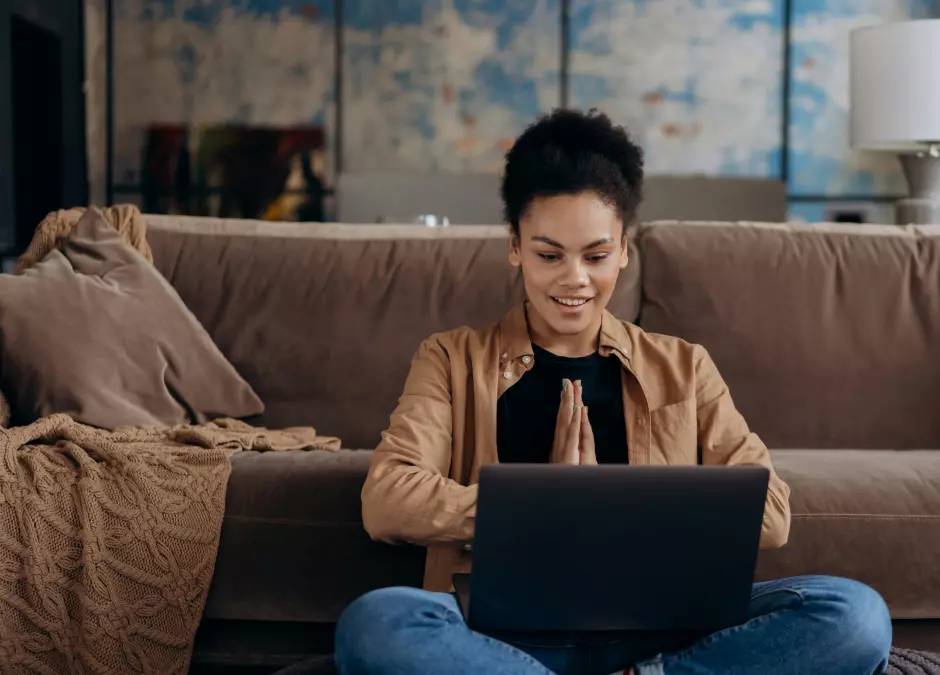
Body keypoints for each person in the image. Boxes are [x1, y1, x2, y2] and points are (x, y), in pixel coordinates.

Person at [335, 109, 891, 675]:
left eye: (596, 256)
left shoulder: (683, 366)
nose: (574, 278)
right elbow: (387, 501)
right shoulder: (450, 359)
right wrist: (543, 505)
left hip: (659, 636)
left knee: (855, 614)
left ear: (624, 249)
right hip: (503, 638)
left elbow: (771, 514)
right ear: (514, 246)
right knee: (378, 624)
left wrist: (604, 506)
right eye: (549, 255)